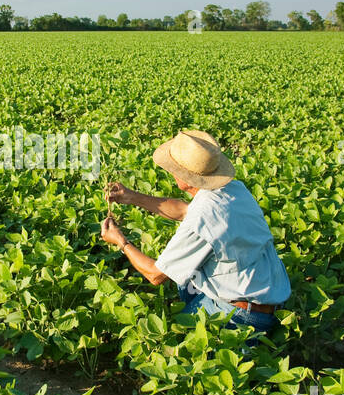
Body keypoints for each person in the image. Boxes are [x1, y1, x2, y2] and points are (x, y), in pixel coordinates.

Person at [100, 129, 290, 339]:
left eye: (173, 169)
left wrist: (121, 241)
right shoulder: (234, 189)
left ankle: (232, 341)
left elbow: (156, 275)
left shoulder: (203, 219)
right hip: (268, 296)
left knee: (176, 345)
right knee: (187, 278)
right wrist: (131, 197)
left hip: (242, 316)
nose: (170, 172)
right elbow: (183, 210)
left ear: (185, 178)